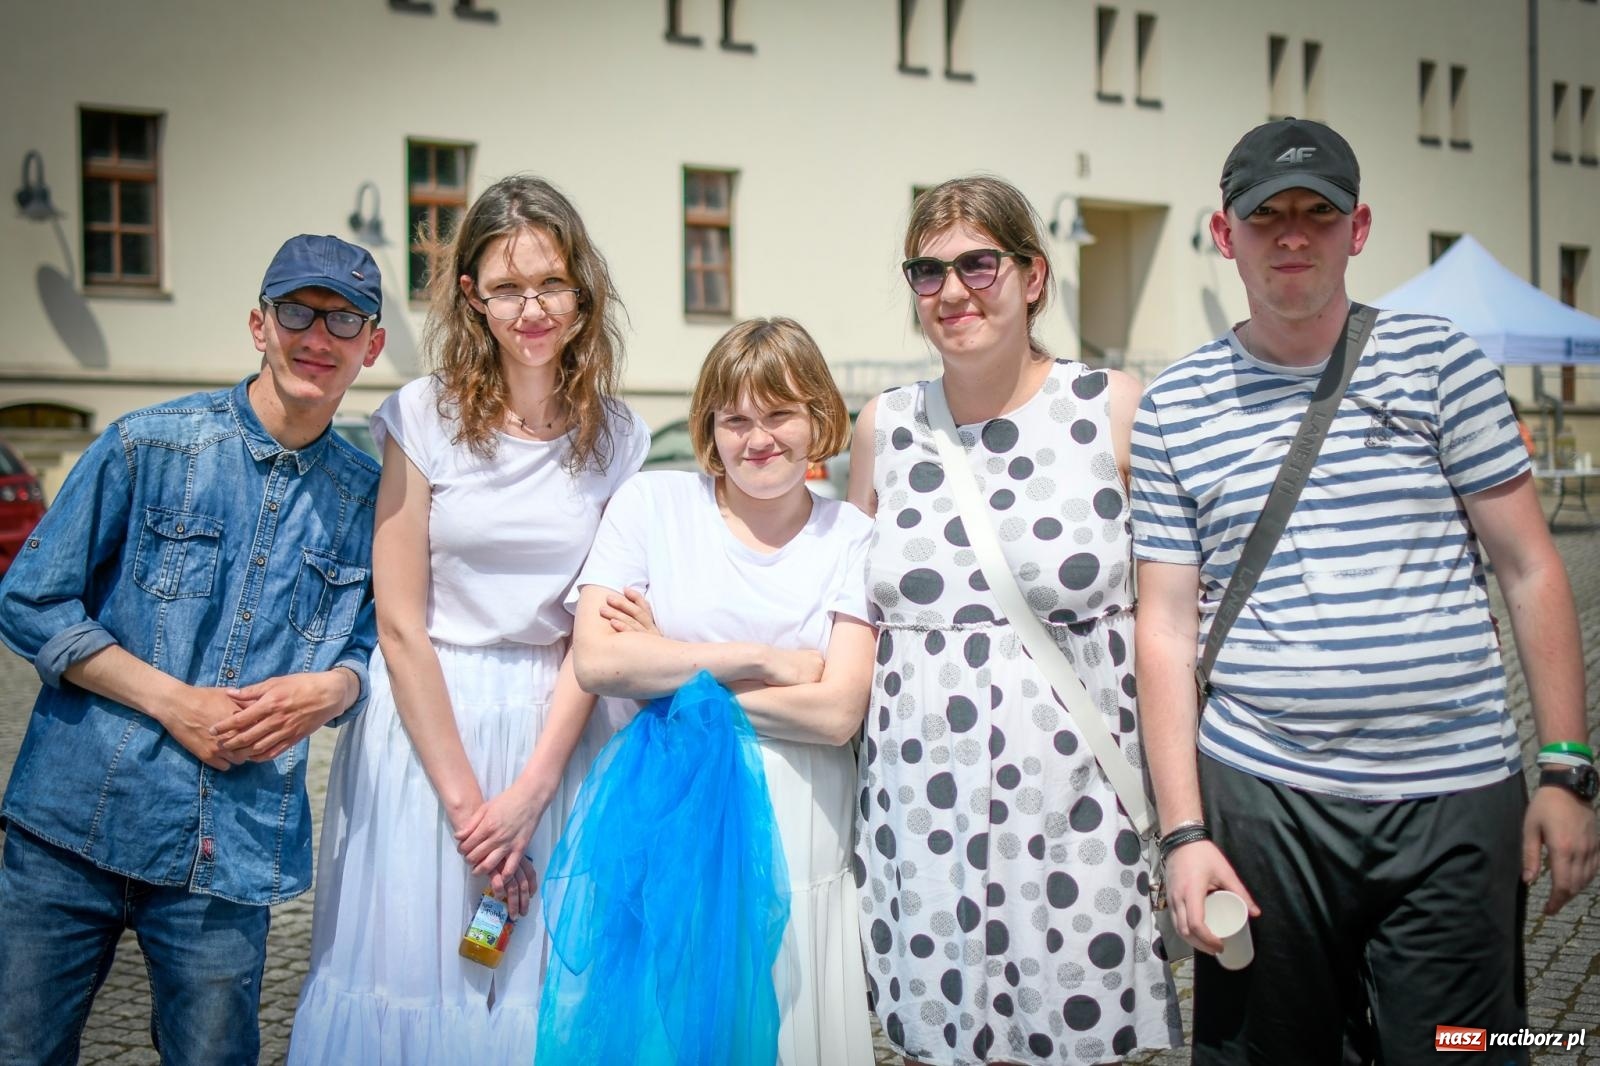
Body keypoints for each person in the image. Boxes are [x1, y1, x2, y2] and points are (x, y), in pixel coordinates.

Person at [1131, 118, 1597, 1066]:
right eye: (1268, 217)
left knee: (1465, 1049)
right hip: (1265, 799)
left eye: (1319, 213)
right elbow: (1167, 629)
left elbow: (1530, 566)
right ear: (1226, 235)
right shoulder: (1175, 404)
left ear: (1359, 227)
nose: (1293, 236)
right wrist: (1184, 833)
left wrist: (1565, 771)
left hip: (1455, 798)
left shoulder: (1442, 364)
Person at [0, 234, 386, 1065]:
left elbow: (382, 643)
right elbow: (30, 599)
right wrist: (172, 701)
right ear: (259, 324)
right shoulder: (148, 444)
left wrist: (338, 690)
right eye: (297, 313)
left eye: (343, 320)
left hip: (229, 854)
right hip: (72, 830)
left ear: (373, 345)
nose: (317, 338)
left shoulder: (372, 502)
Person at [287, 176, 648, 1064]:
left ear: (581, 293)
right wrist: (468, 811)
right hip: (427, 733)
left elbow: (593, 635)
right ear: (472, 298)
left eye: (552, 284)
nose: (532, 308)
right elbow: (400, 626)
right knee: (420, 978)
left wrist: (528, 792)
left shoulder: (621, 436)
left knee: (538, 983)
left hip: (558, 732)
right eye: (508, 287)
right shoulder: (422, 417)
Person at [848, 176, 1181, 1066]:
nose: (952, 292)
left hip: (1078, 818)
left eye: (978, 264)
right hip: (917, 820)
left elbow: (1174, 621)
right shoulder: (884, 428)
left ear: (1034, 277)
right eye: (928, 272)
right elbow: (850, 618)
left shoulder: (1110, 408)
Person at [540, 317, 877, 1066]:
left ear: (820, 416)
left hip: (802, 820)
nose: (758, 439)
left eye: (780, 413)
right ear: (709, 426)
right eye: (736, 419)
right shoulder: (652, 505)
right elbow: (598, 661)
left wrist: (671, 669)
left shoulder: (850, 535)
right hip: (671, 810)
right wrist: (764, 659)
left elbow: (837, 712)